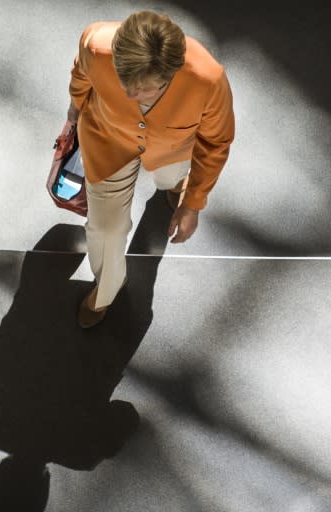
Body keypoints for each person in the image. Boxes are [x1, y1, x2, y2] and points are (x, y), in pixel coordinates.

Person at [67, 10, 235, 328]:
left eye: (144, 89)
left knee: (170, 178)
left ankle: (173, 186)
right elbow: (81, 75)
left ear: (171, 74)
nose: (131, 95)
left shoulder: (208, 81)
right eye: (124, 82)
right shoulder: (95, 44)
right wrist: (75, 107)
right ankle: (107, 289)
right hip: (107, 144)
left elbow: (216, 144)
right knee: (103, 230)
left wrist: (193, 204)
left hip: (171, 151)